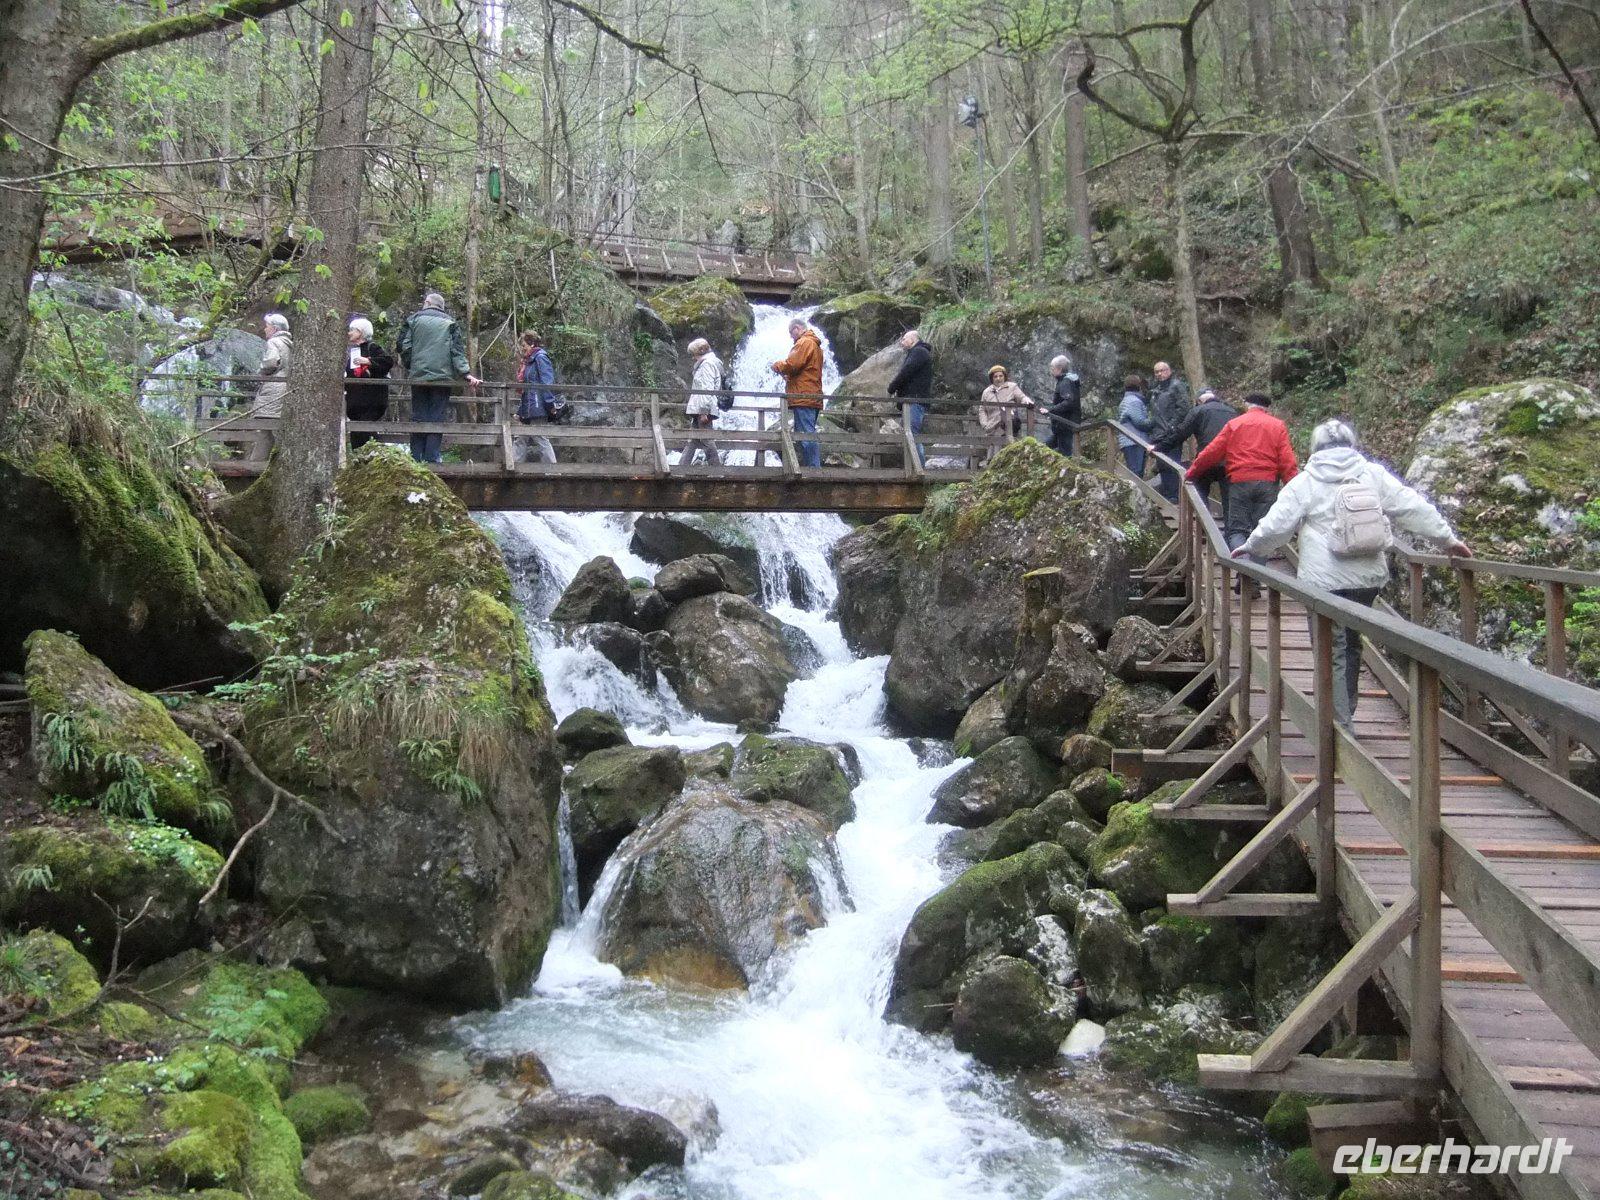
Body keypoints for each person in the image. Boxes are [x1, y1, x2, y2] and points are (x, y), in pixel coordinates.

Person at [1235, 419, 1472, 727]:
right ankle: (1345, 712)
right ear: (1351, 443)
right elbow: (1410, 506)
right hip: (1366, 578)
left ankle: (1338, 726)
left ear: (1315, 447)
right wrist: (1447, 539)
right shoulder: (1371, 474)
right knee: (1351, 644)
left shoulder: (1307, 480)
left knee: (1329, 650)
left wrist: (1253, 546)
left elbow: (1278, 525)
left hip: (1323, 582)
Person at [1186, 392, 1298, 552]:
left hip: (1239, 483)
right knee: (1262, 532)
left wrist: (1192, 472)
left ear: (1247, 405)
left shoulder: (1235, 424)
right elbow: (1287, 461)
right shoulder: (1277, 425)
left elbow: (1212, 452)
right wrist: (1294, 487)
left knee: (1237, 531)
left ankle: (1244, 569)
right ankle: (1256, 573)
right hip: (1267, 484)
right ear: (1267, 408)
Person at [397, 292, 480, 463]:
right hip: (442, 378)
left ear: (427, 303)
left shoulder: (413, 320)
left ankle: (415, 456)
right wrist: (465, 373)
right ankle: (432, 457)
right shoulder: (450, 323)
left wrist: (411, 364)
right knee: (436, 415)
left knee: (419, 414)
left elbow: (403, 345)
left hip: (419, 376)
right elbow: (456, 351)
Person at [1163, 386, 1236, 510]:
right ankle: (1229, 528)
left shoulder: (1198, 411)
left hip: (1206, 458)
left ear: (1199, 401)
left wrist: (1161, 447)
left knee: (1199, 492)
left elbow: (1181, 433)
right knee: (1229, 500)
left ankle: (1202, 525)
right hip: (1230, 461)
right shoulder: (1232, 412)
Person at [771, 317, 825, 468]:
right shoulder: (815, 345)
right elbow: (805, 371)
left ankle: (814, 469)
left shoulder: (804, 342)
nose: (790, 336)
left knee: (806, 435)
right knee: (805, 433)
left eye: (791, 332)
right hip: (812, 394)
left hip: (804, 396)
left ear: (797, 328)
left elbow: (792, 364)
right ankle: (811, 467)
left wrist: (777, 366)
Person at [344, 317, 393, 448]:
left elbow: (387, 361)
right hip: (356, 404)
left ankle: (377, 460)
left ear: (360, 332)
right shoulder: (354, 351)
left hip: (371, 402)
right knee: (357, 436)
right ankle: (359, 465)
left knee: (366, 433)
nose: (349, 333)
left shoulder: (373, 348)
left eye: (352, 330)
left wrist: (369, 362)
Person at [886, 330, 933, 465]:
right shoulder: (918, 353)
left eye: (904, 339)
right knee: (909, 433)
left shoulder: (919, 352)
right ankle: (913, 466)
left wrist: (891, 388)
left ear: (913, 340)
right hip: (913, 400)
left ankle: (919, 467)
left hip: (914, 400)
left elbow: (906, 372)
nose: (902, 342)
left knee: (912, 433)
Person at [1149, 360, 1192, 501]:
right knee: (1162, 466)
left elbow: (1184, 408)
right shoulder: (1157, 391)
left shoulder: (1176, 386)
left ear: (1169, 371)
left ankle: (1174, 497)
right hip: (1159, 433)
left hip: (1171, 434)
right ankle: (1169, 495)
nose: (1160, 374)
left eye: (1162, 370)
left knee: (1172, 464)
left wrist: (1173, 427)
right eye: (1157, 372)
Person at [515, 331, 558, 465]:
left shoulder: (540, 358)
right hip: (528, 407)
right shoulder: (529, 361)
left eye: (524, 345)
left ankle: (553, 472)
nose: (522, 348)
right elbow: (527, 389)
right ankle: (513, 468)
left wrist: (550, 404)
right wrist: (520, 410)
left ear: (532, 344)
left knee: (539, 436)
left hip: (537, 406)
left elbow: (547, 382)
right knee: (520, 437)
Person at [684, 337, 725, 467]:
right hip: (701, 407)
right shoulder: (711, 363)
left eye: (693, 354)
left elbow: (706, 389)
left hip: (703, 408)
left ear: (699, 352)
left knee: (706, 439)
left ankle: (717, 471)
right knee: (693, 439)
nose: (692, 358)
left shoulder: (707, 364)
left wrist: (703, 412)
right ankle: (681, 468)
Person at [1039, 354, 1081, 456]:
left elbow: (1069, 402)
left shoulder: (1065, 382)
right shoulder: (1067, 380)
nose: (1051, 370)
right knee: (1044, 447)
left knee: (1065, 453)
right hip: (1062, 425)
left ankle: (1068, 470)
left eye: (1052, 368)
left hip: (1065, 424)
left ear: (1059, 369)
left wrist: (1051, 410)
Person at [978, 365, 1031, 445]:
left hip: (1010, 425)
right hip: (993, 427)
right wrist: (985, 425)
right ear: (992, 378)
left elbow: (1021, 397)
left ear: (1004, 376)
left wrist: (1027, 400)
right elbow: (982, 410)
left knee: (1010, 448)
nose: (998, 378)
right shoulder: (986, 392)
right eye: (995, 376)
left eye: (1000, 376)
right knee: (993, 451)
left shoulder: (1012, 387)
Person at [256, 313, 292, 419]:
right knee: (274, 425)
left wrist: (260, 369)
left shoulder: (273, 342)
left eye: (267, 326)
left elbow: (270, 363)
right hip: (284, 387)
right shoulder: (288, 343)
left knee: (262, 423)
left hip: (272, 388)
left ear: (275, 329)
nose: (265, 329)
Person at [1117, 373, 1152, 476]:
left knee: (1136, 472)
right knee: (1136, 473)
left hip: (1130, 441)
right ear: (1139, 386)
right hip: (1134, 441)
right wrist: (1154, 421)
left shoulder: (1127, 400)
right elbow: (1140, 422)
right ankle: (1136, 492)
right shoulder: (1133, 401)